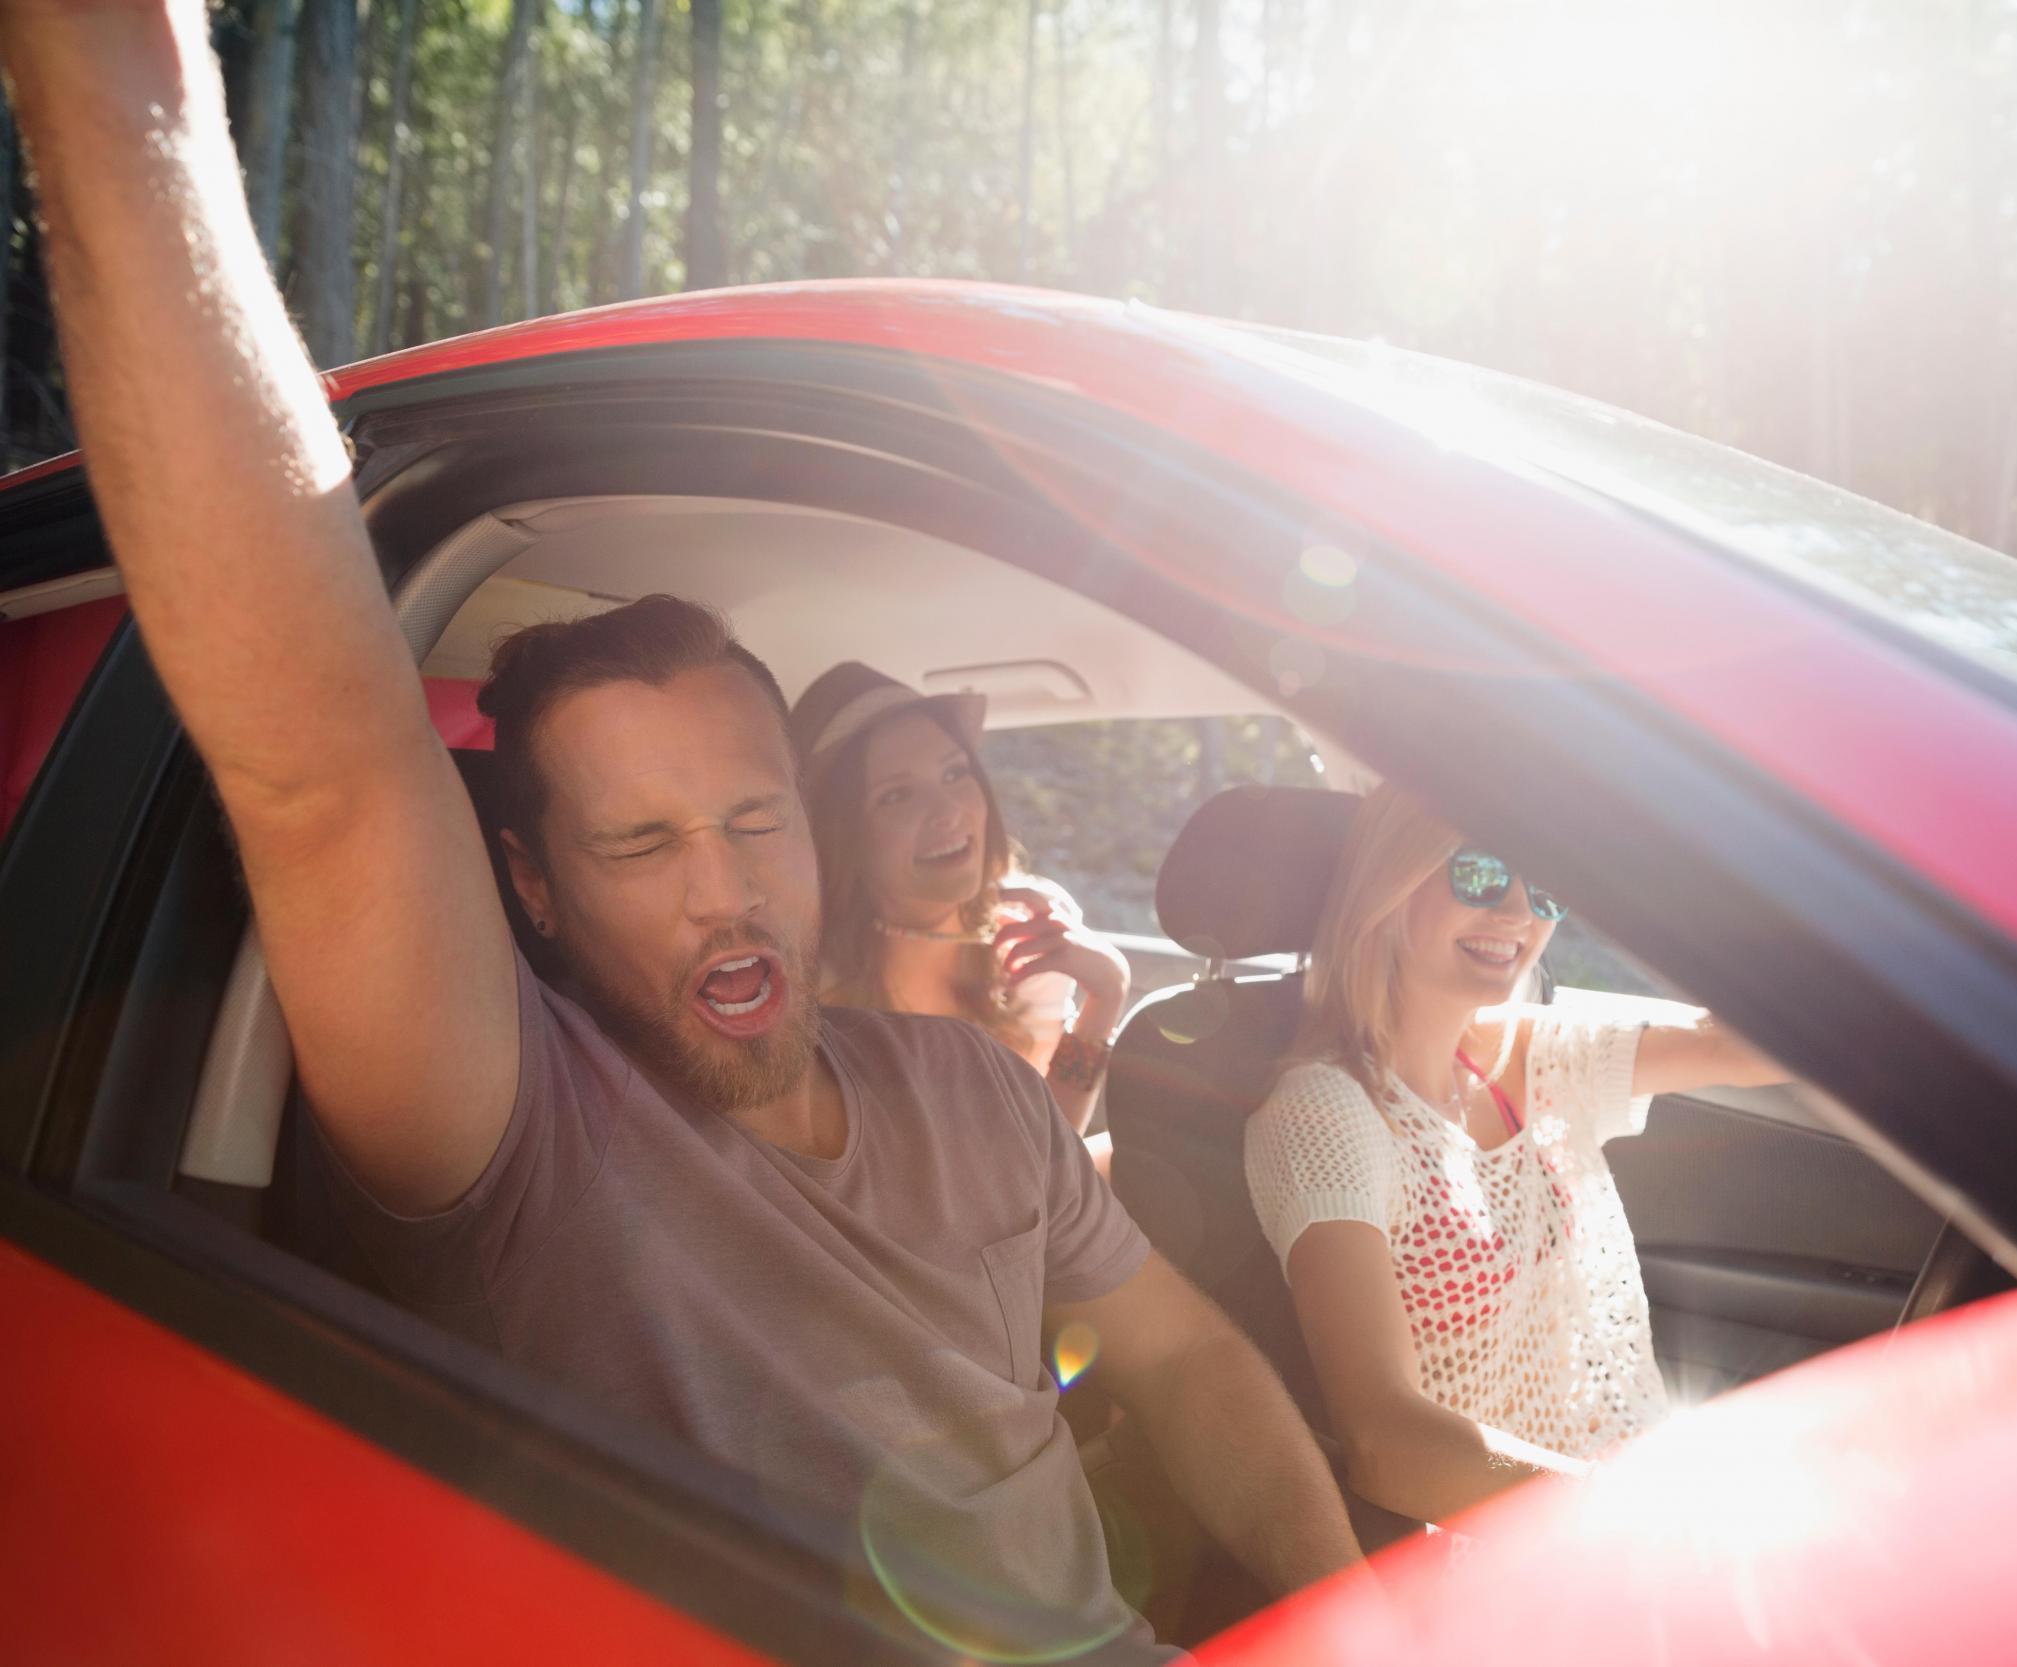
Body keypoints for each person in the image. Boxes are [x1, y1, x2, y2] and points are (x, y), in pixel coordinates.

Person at [4, 6, 1367, 1656]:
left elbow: (1184, 1360)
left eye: (754, 817)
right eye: (641, 846)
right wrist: (124, 88)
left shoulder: (974, 1096)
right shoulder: (514, 1139)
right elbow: (328, 779)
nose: (727, 893)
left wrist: (1350, 1622)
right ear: (538, 885)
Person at [1244, 784, 1785, 1527]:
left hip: (1626, 1483)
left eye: (1548, 887)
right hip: (1510, 1541)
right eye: (1481, 872)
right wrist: (1634, 1519)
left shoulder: (1527, 1054)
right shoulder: (1325, 1113)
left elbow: (1748, 1046)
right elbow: (1384, 1437)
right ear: (1390, 885)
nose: (1519, 912)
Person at [792, 663, 1126, 1166]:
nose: (948, 810)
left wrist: (1105, 994)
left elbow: (1051, 1161)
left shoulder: (1026, 928)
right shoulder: (809, 989)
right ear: (842, 835)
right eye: (897, 795)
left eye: (955, 772)